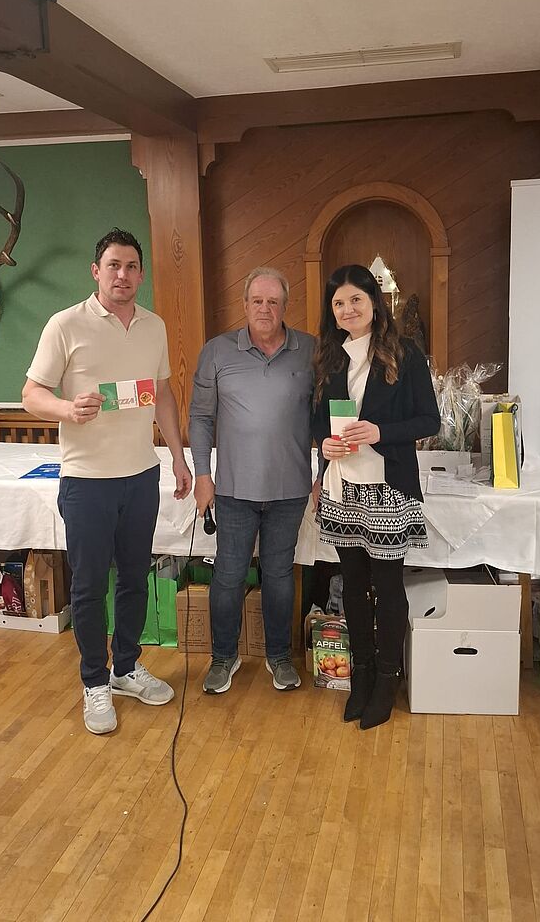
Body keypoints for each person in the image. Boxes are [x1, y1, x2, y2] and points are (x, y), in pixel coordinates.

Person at [22, 228, 191, 735]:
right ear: (96, 271)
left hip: (140, 475)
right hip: (88, 481)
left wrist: (178, 458)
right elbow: (31, 393)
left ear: (141, 275)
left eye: (132, 266)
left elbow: (163, 394)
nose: (123, 274)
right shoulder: (65, 324)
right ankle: (95, 682)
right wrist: (67, 409)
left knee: (136, 578)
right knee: (91, 586)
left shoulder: (154, 326)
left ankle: (126, 669)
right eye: (113, 265)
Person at [312, 264, 440, 730]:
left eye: (356, 300)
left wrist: (380, 431)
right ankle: (361, 675)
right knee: (351, 585)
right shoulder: (329, 357)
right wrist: (323, 445)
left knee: (387, 587)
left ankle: (387, 678)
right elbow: (316, 421)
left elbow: (429, 420)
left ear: (374, 302)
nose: (348, 310)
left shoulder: (404, 353)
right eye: (338, 303)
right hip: (341, 486)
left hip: (387, 488)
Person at [189, 267, 315, 695]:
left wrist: (325, 473)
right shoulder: (217, 352)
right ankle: (223, 657)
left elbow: (328, 416)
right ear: (244, 305)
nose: (265, 309)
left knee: (279, 576)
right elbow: (200, 417)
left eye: (273, 302)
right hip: (233, 490)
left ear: (285, 306)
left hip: (290, 489)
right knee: (228, 575)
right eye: (257, 301)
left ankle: (279, 657)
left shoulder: (310, 351)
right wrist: (202, 474)